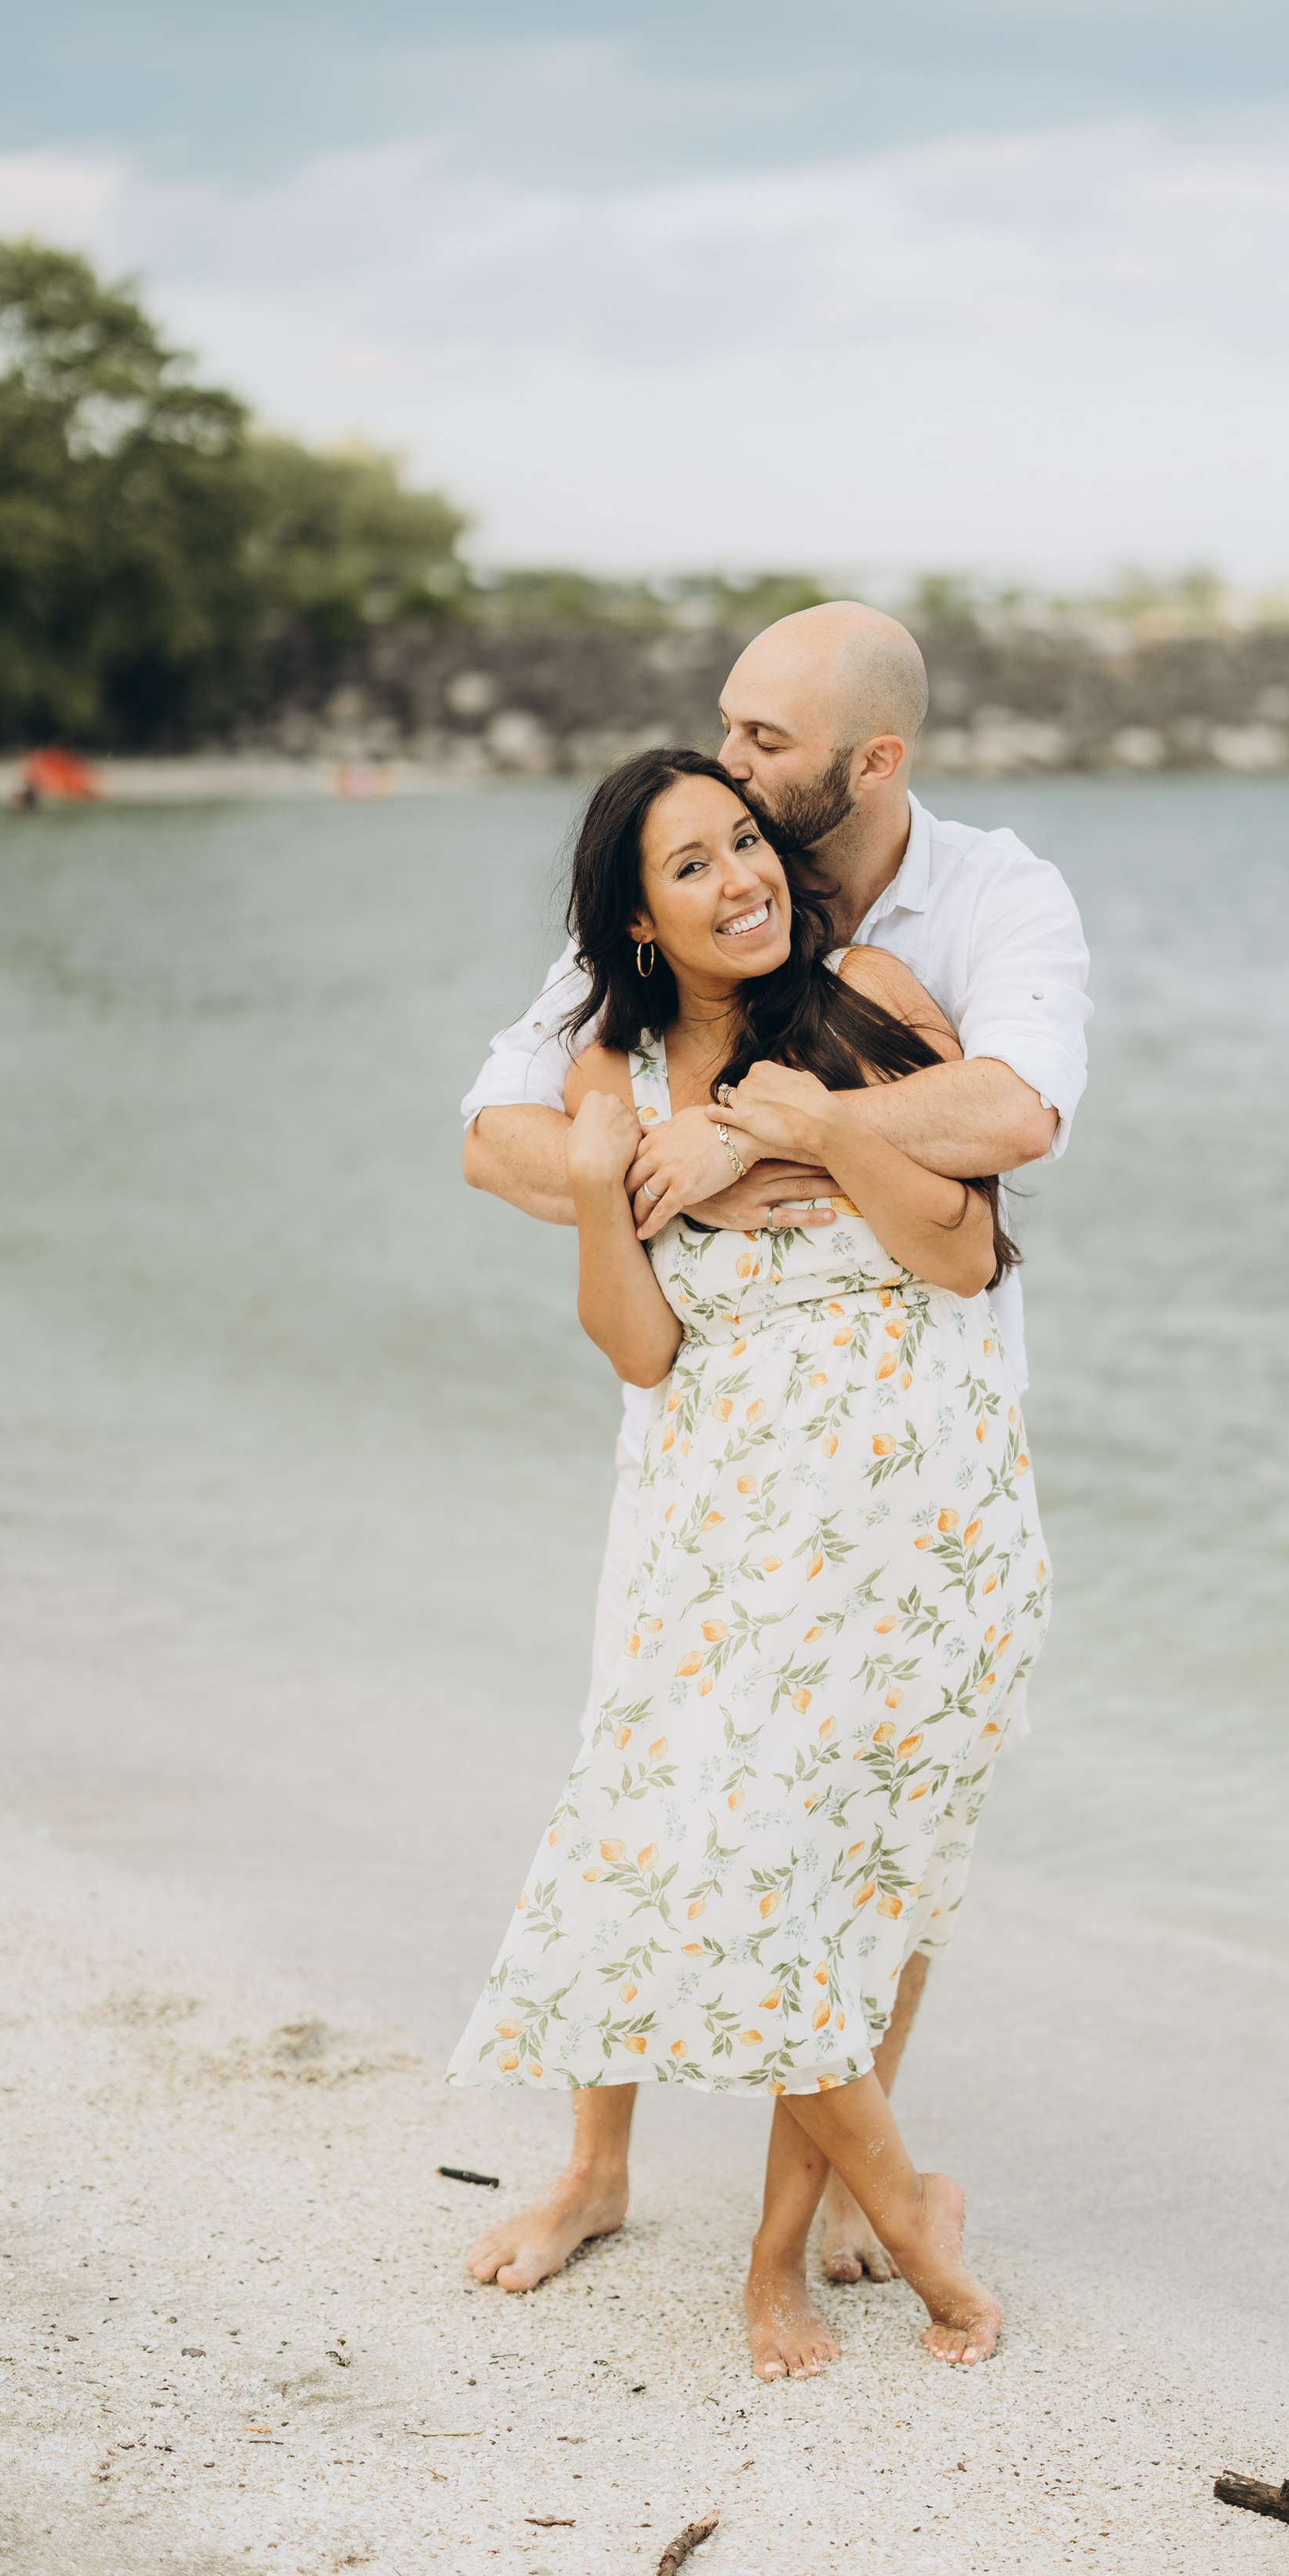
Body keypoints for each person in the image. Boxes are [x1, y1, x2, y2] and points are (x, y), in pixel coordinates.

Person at [459, 602, 1089, 2324]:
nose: (732, 775)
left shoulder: (967, 915)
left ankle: (797, 2227)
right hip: (707, 1471)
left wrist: (781, 1130)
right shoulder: (636, 994)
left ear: (862, 766)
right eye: (722, 749)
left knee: (865, 1840)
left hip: (912, 1466)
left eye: (758, 758)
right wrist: (655, 1154)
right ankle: (605, 2168)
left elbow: (1011, 1122)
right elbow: (498, 1137)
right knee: (657, 1803)